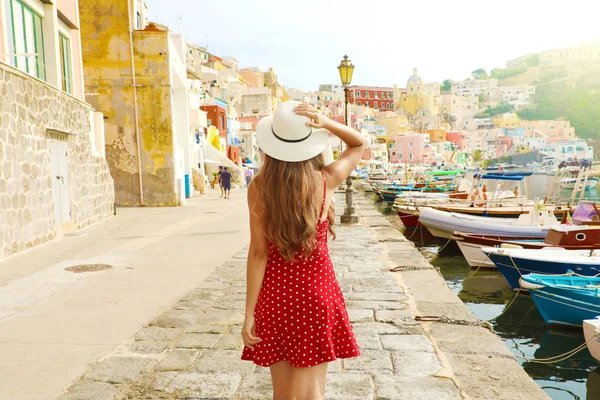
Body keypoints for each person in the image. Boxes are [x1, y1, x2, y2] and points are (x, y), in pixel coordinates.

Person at [241, 101, 366, 399]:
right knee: (311, 392)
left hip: (276, 298)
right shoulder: (326, 180)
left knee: (284, 394)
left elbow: (258, 253)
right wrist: (326, 122)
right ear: (311, 144)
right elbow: (359, 144)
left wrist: (249, 313)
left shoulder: (259, 187)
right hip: (316, 297)